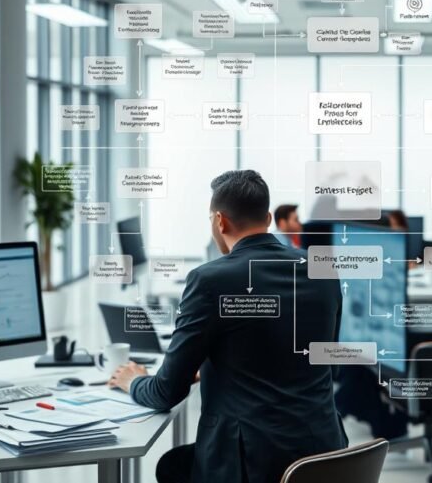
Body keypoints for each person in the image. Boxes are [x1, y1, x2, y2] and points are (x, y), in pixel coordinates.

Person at [108, 170, 347, 483]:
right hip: (325, 456)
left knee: (171, 467)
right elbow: (328, 368)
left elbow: (166, 392)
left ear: (219, 222)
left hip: (253, 466)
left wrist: (133, 381)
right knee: (176, 464)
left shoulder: (208, 280)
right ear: (269, 219)